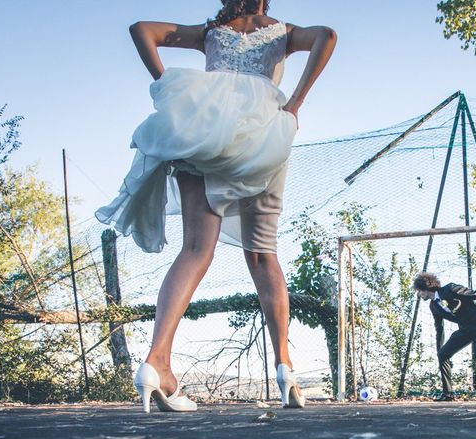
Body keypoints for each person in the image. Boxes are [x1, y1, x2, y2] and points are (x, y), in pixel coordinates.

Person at [96, 0, 336, 412]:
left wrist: (169, 89)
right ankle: (285, 369)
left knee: (194, 249)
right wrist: (294, 103)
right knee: (263, 255)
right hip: (261, 135)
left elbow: (141, 29)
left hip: (199, 128)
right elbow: (327, 36)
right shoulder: (280, 30)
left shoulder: (210, 31)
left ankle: (157, 361)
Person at [413, 272, 476, 401]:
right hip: (465, 329)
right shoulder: (434, 306)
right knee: (443, 354)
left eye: (419, 291)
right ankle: (448, 394)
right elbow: (440, 329)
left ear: (425, 288)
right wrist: (441, 351)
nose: (419, 295)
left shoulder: (450, 289)